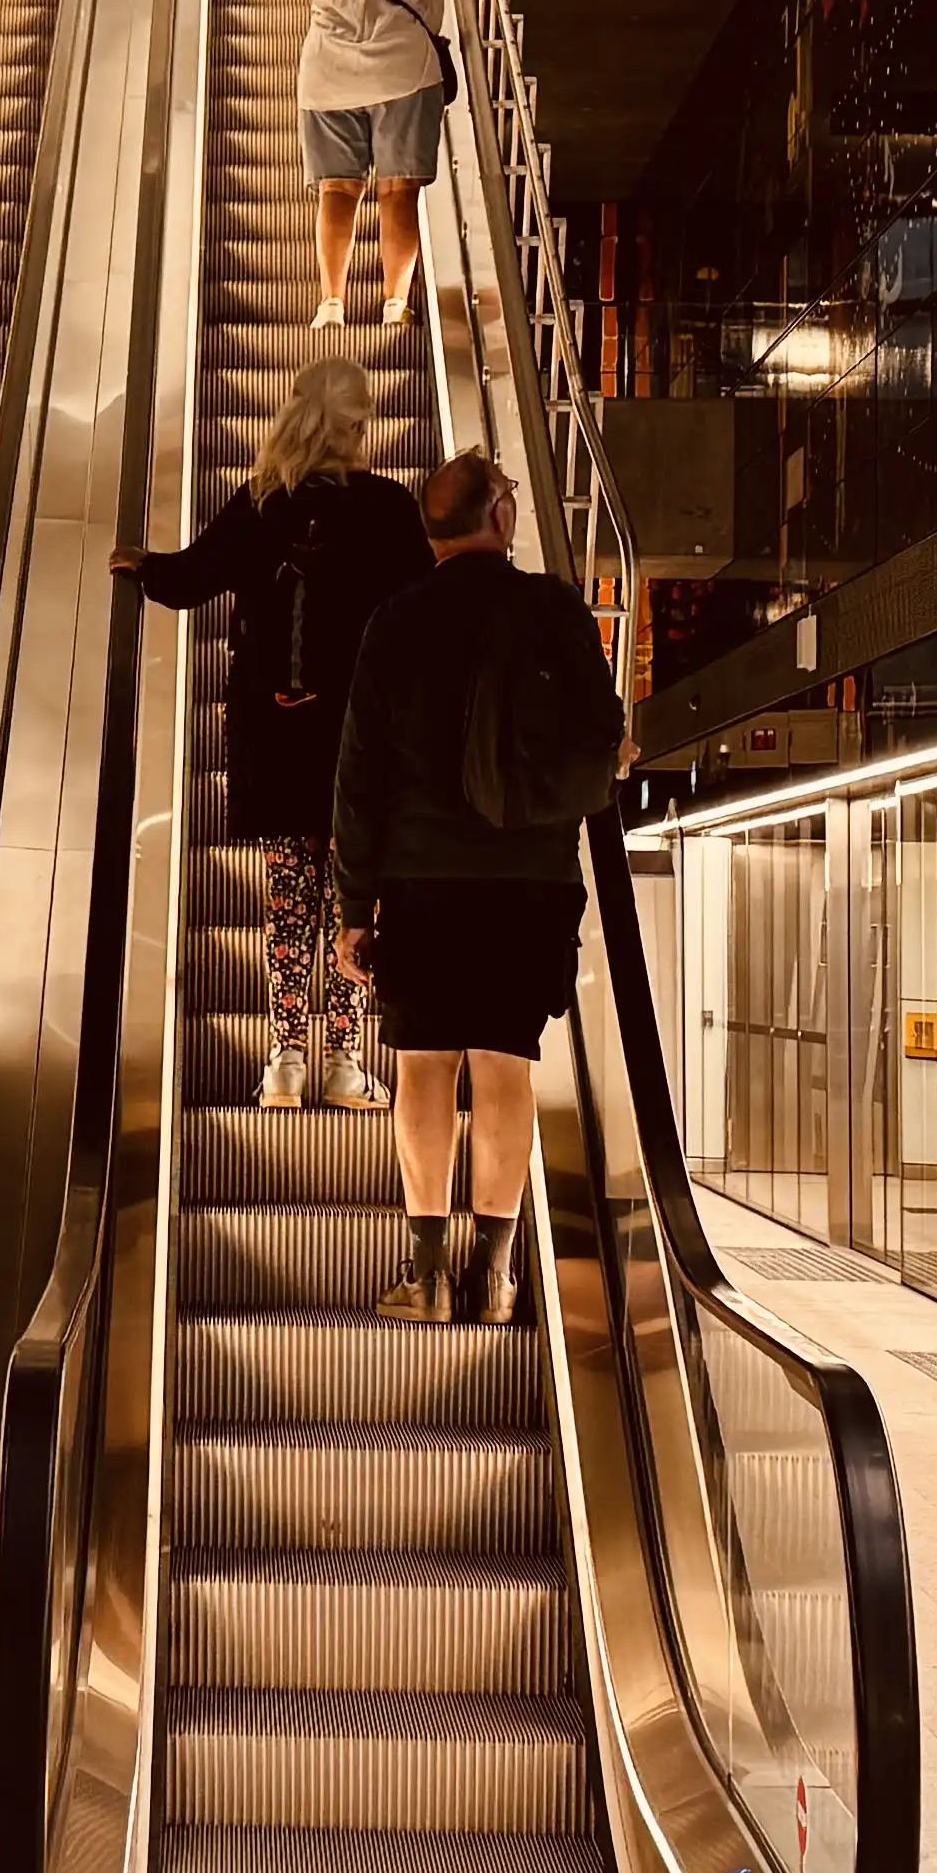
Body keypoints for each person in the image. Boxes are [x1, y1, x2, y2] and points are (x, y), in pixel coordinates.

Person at [331, 450, 628, 1323]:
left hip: (422, 881)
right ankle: (495, 1278)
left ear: (433, 528)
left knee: (425, 1068)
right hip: (528, 880)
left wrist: (354, 908)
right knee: (506, 1066)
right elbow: (603, 732)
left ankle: (425, 1276)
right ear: (499, 517)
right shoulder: (551, 608)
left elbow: (358, 775)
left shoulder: (395, 620)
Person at [121, 350, 437, 1111]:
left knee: (290, 900)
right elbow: (430, 617)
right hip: (363, 748)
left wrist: (138, 565)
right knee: (356, 900)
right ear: (360, 424)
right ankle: (347, 1061)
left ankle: (287, 1059)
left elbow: (189, 577)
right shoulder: (392, 509)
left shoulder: (261, 502)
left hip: (276, 739)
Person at [296, 0, 461, 332]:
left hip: (328, 80)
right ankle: (393, 304)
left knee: (337, 192)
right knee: (397, 192)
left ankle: (331, 304)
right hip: (402, 77)